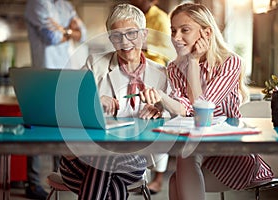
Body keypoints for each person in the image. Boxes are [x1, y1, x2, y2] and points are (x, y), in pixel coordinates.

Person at [140, 3, 274, 200]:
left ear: (206, 33)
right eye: (173, 30)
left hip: (231, 151)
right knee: (180, 170)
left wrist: (193, 63)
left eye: (184, 30)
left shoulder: (230, 63)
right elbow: (185, 108)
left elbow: (202, 107)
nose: (176, 38)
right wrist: (162, 99)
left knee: (180, 172)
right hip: (199, 151)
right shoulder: (175, 68)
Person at [58, 4, 168, 200]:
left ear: (144, 34)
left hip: (133, 161)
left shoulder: (160, 74)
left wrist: (161, 110)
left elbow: (174, 118)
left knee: (107, 156)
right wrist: (93, 102)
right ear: (110, 39)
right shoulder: (95, 64)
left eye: (131, 33)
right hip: (80, 160)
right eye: (116, 36)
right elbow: (69, 106)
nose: (124, 42)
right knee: (114, 187)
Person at [24, 0, 87, 199]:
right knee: (36, 130)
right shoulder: (37, 4)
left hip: (65, 75)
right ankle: (33, 184)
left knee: (62, 130)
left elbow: (82, 34)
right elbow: (51, 36)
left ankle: (60, 178)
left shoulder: (65, 6)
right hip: (44, 74)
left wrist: (65, 31)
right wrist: (69, 31)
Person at [129, 0, 171, 194]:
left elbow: (168, 50)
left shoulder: (161, 19)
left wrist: (144, 47)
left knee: (157, 126)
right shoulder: (131, 16)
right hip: (134, 72)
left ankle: (158, 178)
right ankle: (137, 173)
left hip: (155, 75)